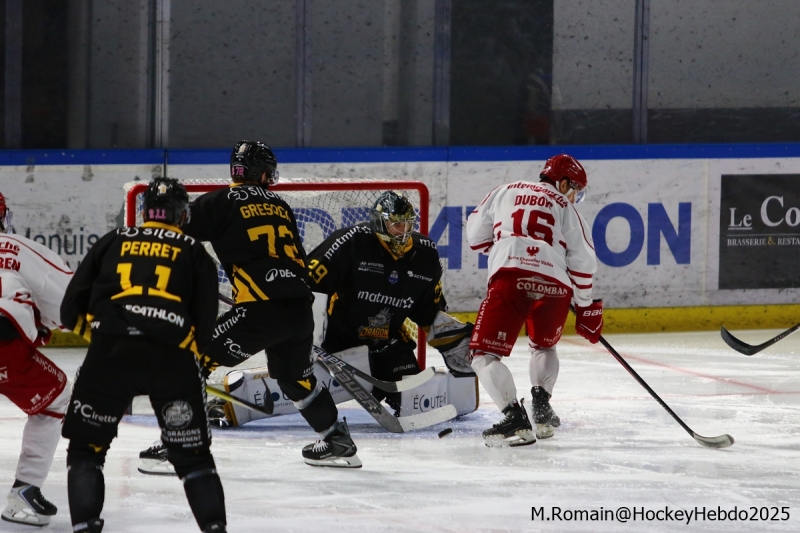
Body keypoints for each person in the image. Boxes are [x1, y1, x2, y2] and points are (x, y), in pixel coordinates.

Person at [176, 140, 360, 468]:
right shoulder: (280, 205)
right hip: (299, 311)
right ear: (262, 172)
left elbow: (173, 231)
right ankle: (335, 439)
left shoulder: (220, 201)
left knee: (190, 359)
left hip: (259, 311)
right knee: (296, 380)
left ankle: (183, 444)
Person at [60, 178, 227, 533]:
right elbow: (205, 325)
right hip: (171, 359)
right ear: (182, 216)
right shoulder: (195, 251)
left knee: (86, 451)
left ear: (143, 210)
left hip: (110, 354)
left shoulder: (112, 240)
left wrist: (105, 336)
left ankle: (85, 527)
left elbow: (69, 309)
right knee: (193, 459)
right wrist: (181, 354)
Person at [466, 153, 603, 447]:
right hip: (556, 285)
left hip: (511, 278)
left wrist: (506, 245)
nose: (574, 196)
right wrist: (586, 306)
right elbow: (582, 263)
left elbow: (475, 238)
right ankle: (541, 406)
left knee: (482, 356)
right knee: (544, 345)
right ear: (563, 181)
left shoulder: (505, 191)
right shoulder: (568, 209)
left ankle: (514, 417)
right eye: (575, 188)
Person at [0, 192, 72, 527]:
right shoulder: (16, 246)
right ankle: (24, 492)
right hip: (6, 349)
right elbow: (67, 303)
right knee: (56, 397)